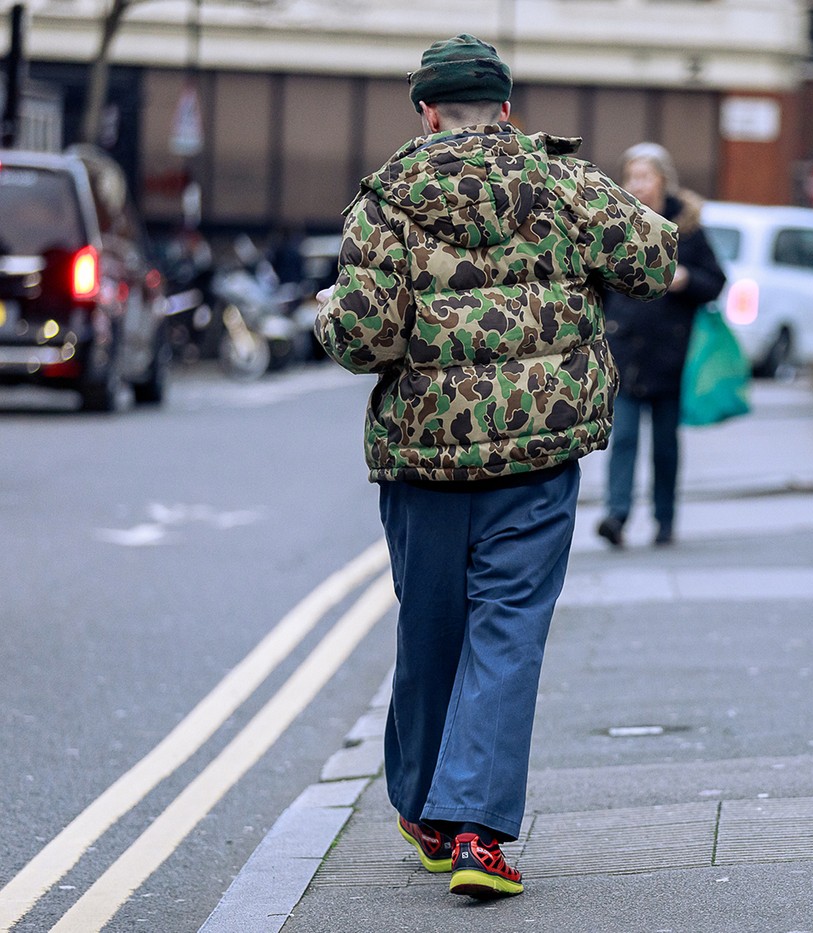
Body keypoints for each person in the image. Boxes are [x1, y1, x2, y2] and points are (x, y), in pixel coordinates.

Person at [314, 34, 677, 900]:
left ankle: (425, 810)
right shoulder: (566, 184)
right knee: (507, 634)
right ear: (506, 110)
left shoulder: (385, 201)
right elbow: (656, 261)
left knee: (431, 627)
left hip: (423, 461)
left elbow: (367, 338)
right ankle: (477, 831)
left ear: (427, 111)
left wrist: (330, 312)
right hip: (538, 456)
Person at [596, 143, 726, 547]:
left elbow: (717, 283)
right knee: (625, 438)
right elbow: (597, 285)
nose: (637, 185)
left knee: (665, 445)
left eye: (645, 176)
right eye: (631, 177)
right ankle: (616, 516)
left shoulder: (687, 228)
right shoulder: (614, 226)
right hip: (625, 353)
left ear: (663, 180)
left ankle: (665, 519)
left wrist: (686, 278)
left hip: (671, 355)